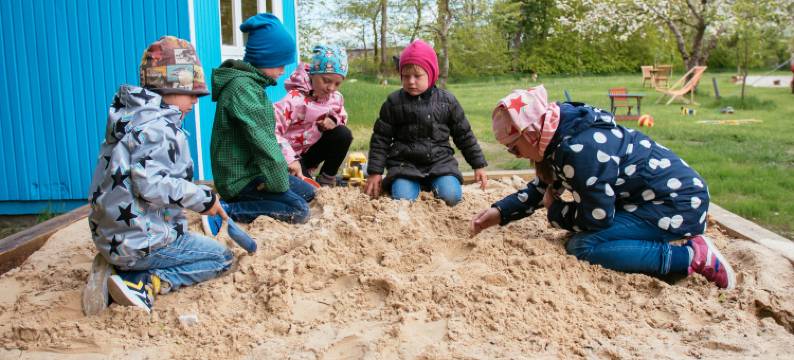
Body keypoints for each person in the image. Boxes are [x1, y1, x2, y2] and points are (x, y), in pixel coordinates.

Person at [470, 86, 736, 289]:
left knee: (583, 246)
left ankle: (692, 257)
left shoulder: (578, 151)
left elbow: (597, 217)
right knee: (581, 239)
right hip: (654, 199)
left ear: (530, 133)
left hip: (676, 204)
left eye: (513, 147)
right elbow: (543, 188)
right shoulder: (559, 135)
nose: (513, 154)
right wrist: (501, 212)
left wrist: (557, 213)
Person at [87, 36, 231, 313]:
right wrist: (203, 198)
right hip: (143, 242)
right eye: (191, 93)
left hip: (115, 236)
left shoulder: (132, 119)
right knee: (220, 258)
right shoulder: (159, 129)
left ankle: (119, 265)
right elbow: (153, 186)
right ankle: (143, 282)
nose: (195, 102)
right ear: (170, 87)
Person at [206, 13, 315, 235]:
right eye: (280, 63)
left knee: (307, 193)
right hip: (238, 178)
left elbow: (265, 134)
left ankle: (264, 193)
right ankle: (228, 210)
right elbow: (262, 142)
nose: (283, 70)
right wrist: (277, 184)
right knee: (298, 209)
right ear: (265, 58)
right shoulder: (243, 89)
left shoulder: (253, 85)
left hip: (252, 170)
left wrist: (284, 169)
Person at [364, 40, 488, 206]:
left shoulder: (447, 101)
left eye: (417, 76)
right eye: (405, 76)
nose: (411, 81)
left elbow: (464, 135)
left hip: (440, 164)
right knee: (402, 199)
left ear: (431, 74)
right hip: (404, 166)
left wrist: (478, 165)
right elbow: (381, 139)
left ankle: (437, 185)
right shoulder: (393, 102)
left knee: (451, 197)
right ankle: (409, 188)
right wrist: (375, 172)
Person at [273, 44, 353, 186]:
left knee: (343, 134)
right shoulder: (294, 99)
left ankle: (327, 180)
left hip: (310, 153)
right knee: (307, 191)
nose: (331, 88)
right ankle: (302, 177)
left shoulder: (335, 98)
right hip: (288, 158)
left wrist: (333, 120)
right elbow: (271, 130)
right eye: (326, 81)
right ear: (313, 73)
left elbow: (342, 117)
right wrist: (290, 159)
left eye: (337, 84)